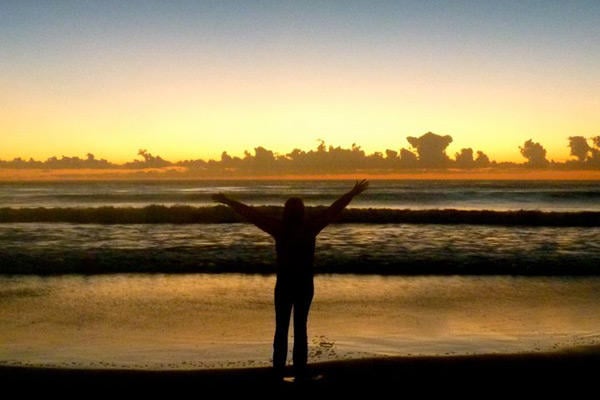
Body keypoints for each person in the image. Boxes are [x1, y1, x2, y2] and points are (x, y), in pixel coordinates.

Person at [212, 179, 369, 381]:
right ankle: (299, 372)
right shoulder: (310, 227)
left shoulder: (280, 228)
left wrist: (228, 201)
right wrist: (352, 193)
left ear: (286, 212)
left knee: (282, 328)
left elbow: (253, 215)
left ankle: (279, 372)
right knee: (300, 328)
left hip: (286, 284)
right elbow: (332, 210)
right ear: (302, 212)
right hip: (303, 284)